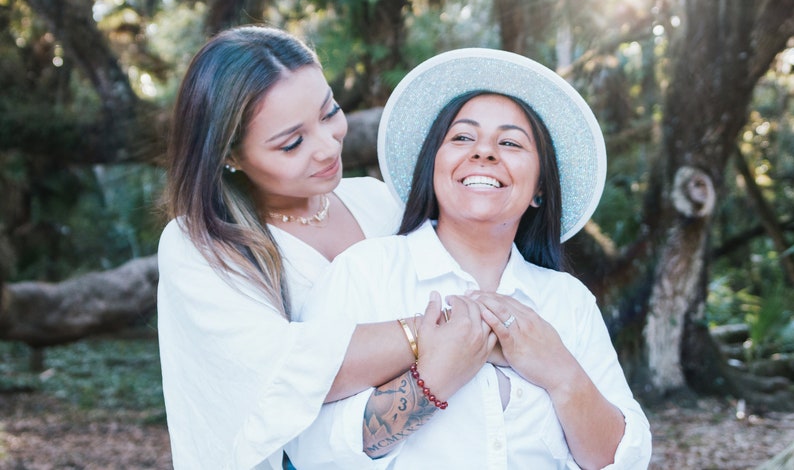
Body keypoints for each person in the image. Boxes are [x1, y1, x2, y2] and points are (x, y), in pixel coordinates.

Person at [289, 48, 653, 469]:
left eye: (511, 142)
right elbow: (307, 447)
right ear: (433, 167)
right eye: (462, 137)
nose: (484, 152)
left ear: (539, 189)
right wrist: (432, 381)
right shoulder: (364, 272)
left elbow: (624, 460)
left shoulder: (568, 302)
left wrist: (560, 372)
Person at [156, 26, 491, 469]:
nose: (327, 145)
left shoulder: (379, 201)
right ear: (229, 156)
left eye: (329, 111)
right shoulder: (200, 243)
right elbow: (282, 370)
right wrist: (444, 332)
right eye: (292, 143)